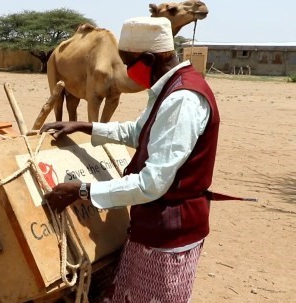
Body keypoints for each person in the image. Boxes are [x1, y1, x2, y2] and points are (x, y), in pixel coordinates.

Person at [41, 17, 219, 303]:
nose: (124, 70)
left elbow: (152, 184)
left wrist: (82, 191)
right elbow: (139, 132)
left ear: (149, 59)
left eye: (127, 62)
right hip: (153, 225)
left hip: (169, 234)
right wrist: (86, 127)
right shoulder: (168, 88)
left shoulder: (182, 100)